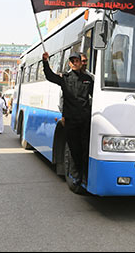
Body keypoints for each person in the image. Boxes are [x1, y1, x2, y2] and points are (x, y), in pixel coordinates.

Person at [42, 51, 93, 185]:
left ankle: (84, 176)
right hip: (71, 120)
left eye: (77, 61)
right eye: (73, 61)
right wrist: (45, 62)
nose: (75, 63)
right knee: (74, 149)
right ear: (70, 63)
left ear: (80, 63)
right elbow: (50, 76)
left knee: (85, 148)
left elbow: (96, 96)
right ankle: (76, 176)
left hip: (85, 119)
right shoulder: (65, 78)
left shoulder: (88, 79)